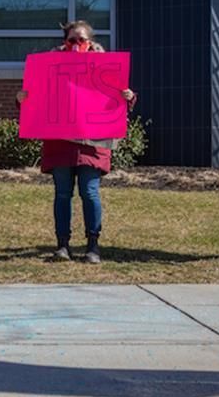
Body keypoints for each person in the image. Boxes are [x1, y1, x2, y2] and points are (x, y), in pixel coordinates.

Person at [17, 21, 137, 264]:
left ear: (90, 42)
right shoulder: (50, 66)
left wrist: (128, 96)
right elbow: (38, 97)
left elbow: (118, 98)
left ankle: (93, 246)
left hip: (93, 142)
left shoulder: (106, 67)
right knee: (62, 194)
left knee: (89, 192)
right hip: (60, 141)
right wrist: (23, 99)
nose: (75, 44)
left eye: (80, 40)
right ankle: (63, 246)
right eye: (71, 40)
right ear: (65, 41)